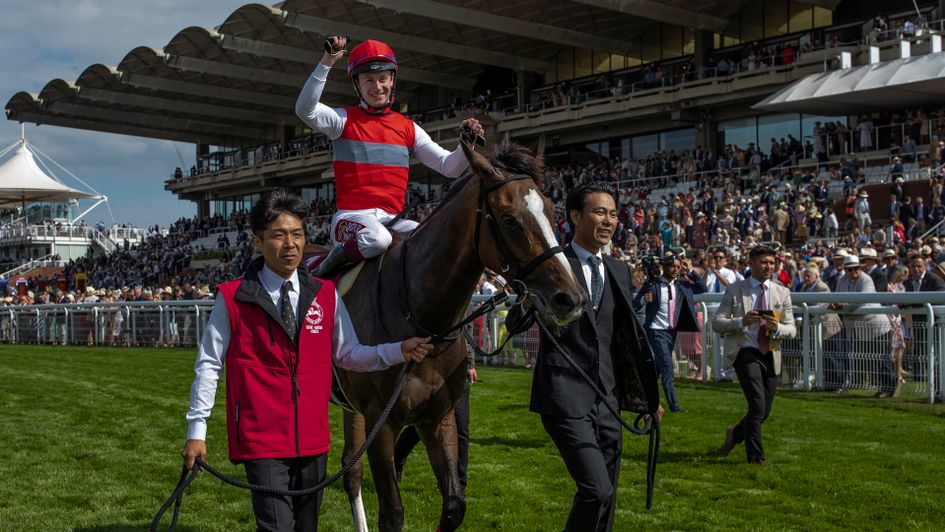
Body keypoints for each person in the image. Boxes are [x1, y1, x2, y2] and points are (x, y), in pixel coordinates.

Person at [181, 192, 433, 532]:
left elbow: (348, 355)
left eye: (297, 234)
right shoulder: (232, 297)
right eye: (278, 235)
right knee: (276, 528)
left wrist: (396, 351)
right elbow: (209, 364)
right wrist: (197, 431)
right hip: (262, 439)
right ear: (258, 241)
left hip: (313, 440)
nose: (290, 244)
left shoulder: (325, 294)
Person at [507, 181, 661, 532]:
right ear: (575, 216)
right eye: (598, 212)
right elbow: (515, 324)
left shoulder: (620, 270)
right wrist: (527, 296)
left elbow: (627, 338)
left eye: (612, 213)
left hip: (608, 398)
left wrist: (648, 397)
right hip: (563, 394)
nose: (608, 221)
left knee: (608, 497)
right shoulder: (551, 264)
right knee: (596, 489)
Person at [295, 35, 485, 277]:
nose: (377, 87)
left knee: (436, 241)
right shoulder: (342, 120)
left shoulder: (408, 128)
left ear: (392, 79)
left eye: (383, 78)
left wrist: (466, 144)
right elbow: (305, 109)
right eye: (369, 80)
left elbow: (450, 167)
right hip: (351, 221)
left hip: (394, 222)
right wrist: (327, 61)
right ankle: (323, 271)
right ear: (357, 85)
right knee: (377, 239)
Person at [713, 244, 796, 464]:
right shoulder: (735, 290)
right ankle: (755, 456)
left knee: (764, 411)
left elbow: (792, 328)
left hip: (771, 351)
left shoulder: (782, 292)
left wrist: (777, 327)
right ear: (751, 264)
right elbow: (717, 323)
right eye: (764, 262)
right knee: (757, 405)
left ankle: (736, 434)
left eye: (772, 262)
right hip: (745, 351)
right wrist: (741, 321)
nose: (769, 266)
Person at [633, 253, 705, 412]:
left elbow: (702, 288)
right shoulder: (653, 284)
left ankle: (645, 396)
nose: (676, 270)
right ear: (663, 267)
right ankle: (674, 406)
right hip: (656, 331)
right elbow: (635, 304)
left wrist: (691, 271)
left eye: (679, 267)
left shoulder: (682, 284)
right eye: (673, 266)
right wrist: (645, 299)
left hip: (672, 331)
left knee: (658, 369)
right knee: (667, 367)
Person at [829, 255, 894, 397]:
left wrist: (842, 305)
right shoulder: (842, 280)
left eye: (856, 268)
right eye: (850, 269)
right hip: (859, 327)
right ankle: (884, 387)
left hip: (876, 325)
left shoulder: (866, 279)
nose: (854, 272)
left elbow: (862, 300)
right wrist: (836, 304)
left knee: (882, 358)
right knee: (871, 359)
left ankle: (889, 388)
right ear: (845, 270)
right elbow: (837, 297)